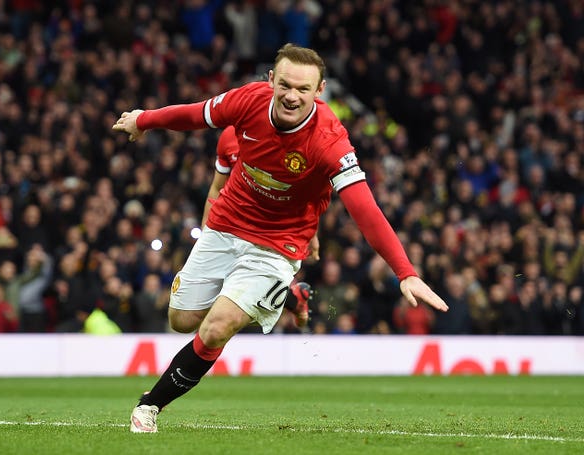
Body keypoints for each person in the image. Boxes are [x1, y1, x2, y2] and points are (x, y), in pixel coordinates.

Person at [113, 43, 448, 433]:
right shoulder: (248, 101)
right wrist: (144, 119)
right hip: (226, 225)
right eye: (285, 85)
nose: (292, 96)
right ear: (270, 80)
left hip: (279, 243)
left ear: (319, 91)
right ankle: (289, 295)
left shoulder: (329, 140)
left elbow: (366, 209)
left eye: (303, 90)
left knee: (216, 327)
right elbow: (195, 114)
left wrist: (404, 271)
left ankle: (150, 406)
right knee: (182, 320)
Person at [203, 125, 315, 329]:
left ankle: (291, 300)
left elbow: (304, 195)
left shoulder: (286, 140)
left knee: (244, 306)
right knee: (219, 301)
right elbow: (217, 187)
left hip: (268, 229)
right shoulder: (229, 136)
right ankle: (293, 299)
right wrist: (206, 232)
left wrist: (312, 235)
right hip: (229, 224)